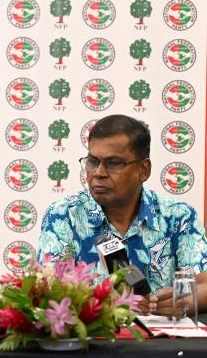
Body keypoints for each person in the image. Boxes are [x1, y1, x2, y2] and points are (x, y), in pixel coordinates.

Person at [37, 114, 207, 316]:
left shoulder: (179, 216)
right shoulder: (63, 215)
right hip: (96, 344)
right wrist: (108, 303)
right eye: (92, 161)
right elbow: (48, 291)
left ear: (144, 170)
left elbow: (204, 283)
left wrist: (185, 300)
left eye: (114, 163)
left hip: (162, 343)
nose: (98, 172)